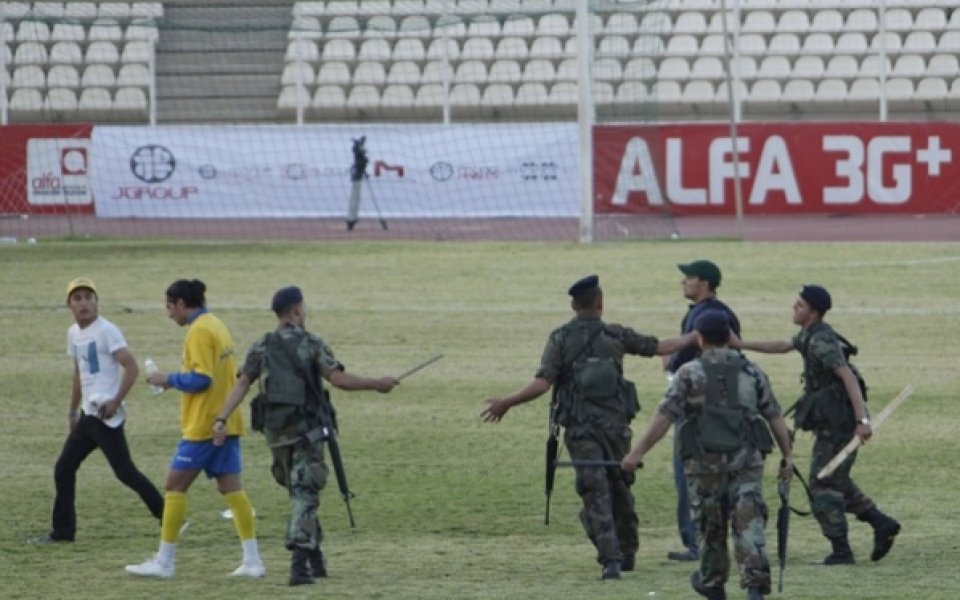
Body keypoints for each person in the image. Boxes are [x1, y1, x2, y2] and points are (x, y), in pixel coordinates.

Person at [481, 274, 697, 580]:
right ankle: (628, 550)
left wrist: (506, 402)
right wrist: (694, 337)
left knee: (595, 491)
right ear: (600, 303)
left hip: (581, 430)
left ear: (573, 304)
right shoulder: (616, 335)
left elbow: (543, 382)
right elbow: (660, 347)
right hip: (617, 428)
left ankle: (610, 558)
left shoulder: (560, 339)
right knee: (620, 487)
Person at [212, 285, 399, 586]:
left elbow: (242, 383)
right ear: (297, 310)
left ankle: (315, 557)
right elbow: (338, 378)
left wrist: (221, 418)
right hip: (305, 432)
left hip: (275, 434)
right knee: (306, 493)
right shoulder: (311, 343)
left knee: (300, 492)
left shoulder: (262, 345)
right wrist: (377, 383)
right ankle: (300, 562)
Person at [622, 310, 793, 600]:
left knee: (710, 524)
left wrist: (636, 453)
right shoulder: (751, 371)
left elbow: (664, 417)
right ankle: (754, 587)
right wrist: (788, 456)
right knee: (748, 521)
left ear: (700, 339)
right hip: (746, 462)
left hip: (703, 464)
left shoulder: (688, 373)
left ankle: (713, 583)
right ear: (729, 337)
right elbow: (774, 416)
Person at [732, 284, 901, 566]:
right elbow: (782, 345)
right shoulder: (808, 335)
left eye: (799, 305)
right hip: (832, 422)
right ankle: (881, 523)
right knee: (836, 479)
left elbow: (846, 376)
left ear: (813, 312)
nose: (793, 308)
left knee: (822, 484)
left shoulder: (820, 341)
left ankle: (841, 551)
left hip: (841, 425)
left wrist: (863, 421)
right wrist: (740, 345)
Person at [125, 279, 264, 579]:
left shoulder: (198, 331)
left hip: (204, 425)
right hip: (227, 422)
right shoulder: (217, 324)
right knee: (232, 489)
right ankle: (253, 561)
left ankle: (165, 562)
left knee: (175, 485)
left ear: (180, 304)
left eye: (169, 306)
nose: (168, 313)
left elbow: (202, 379)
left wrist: (168, 379)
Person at [30, 277, 164, 544]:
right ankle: (63, 533)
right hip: (87, 416)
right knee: (64, 468)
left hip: (105, 415)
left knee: (125, 473)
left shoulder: (107, 331)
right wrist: (72, 412)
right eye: (77, 298)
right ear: (69, 304)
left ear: (96, 301)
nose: (84, 303)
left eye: (88, 297)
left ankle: (170, 518)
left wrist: (115, 400)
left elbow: (132, 367)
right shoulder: (74, 334)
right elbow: (79, 373)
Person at [664, 260, 742, 562]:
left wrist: (669, 360)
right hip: (721, 405)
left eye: (690, 278)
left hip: (700, 405)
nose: (684, 282)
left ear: (705, 283)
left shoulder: (707, 315)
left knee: (690, 471)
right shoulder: (713, 312)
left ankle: (698, 541)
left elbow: (689, 352)